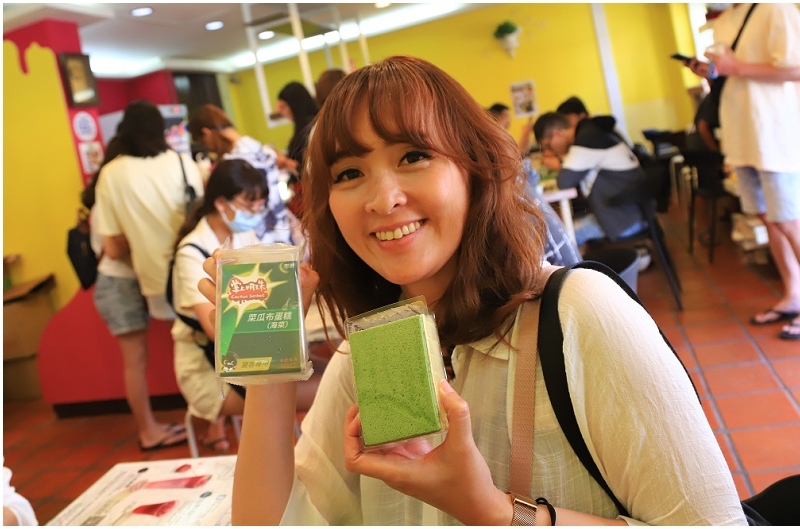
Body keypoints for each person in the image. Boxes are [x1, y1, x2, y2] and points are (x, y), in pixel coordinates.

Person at [198, 55, 745, 525]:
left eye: (413, 156)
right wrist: (268, 364)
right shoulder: (368, 353)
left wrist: (491, 510)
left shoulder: (579, 312)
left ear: (475, 168)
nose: (383, 199)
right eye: (348, 173)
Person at [93, 100, 204, 450]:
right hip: (192, 269)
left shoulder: (112, 173)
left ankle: (151, 429)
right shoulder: (183, 163)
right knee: (204, 343)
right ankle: (215, 426)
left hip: (152, 278)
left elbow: (112, 246)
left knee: (139, 360)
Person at [686, 3, 800, 340]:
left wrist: (737, 66)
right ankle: (793, 294)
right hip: (742, 134)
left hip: (774, 133)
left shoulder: (775, 8)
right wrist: (713, 72)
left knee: (789, 219)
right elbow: (733, 73)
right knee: (768, 218)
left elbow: (795, 68)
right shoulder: (726, 18)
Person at [532, 111, 649, 249]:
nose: (548, 151)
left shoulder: (585, 142)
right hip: (633, 213)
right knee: (566, 225)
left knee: (560, 238)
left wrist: (558, 163)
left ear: (557, 133)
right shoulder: (592, 133)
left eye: (548, 146)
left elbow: (564, 182)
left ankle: (590, 262)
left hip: (625, 221)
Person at [188, 104, 295, 245]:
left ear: (206, 133)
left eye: (203, 142)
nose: (207, 147)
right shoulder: (260, 149)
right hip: (281, 229)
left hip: (259, 237)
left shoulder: (233, 164)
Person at [276, 81, 320, 218]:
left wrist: (284, 161)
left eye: (284, 106)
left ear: (294, 104)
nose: (283, 112)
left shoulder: (311, 128)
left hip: (310, 194)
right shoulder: (306, 126)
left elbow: (311, 168)